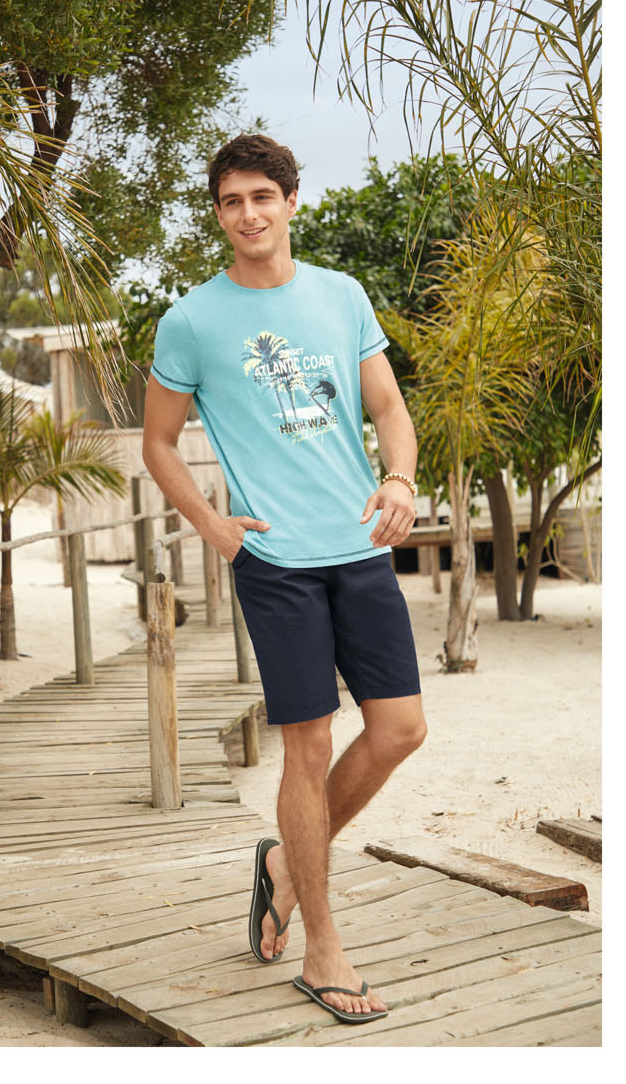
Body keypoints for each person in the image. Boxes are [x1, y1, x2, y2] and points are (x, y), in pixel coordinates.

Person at [141, 133, 426, 1024]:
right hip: (274, 561)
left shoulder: (341, 296)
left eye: (263, 196)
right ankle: (322, 946)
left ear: (291, 201)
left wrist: (400, 478)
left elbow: (389, 406)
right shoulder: (191, 321)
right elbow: (158, 441)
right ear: (218, 213)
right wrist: (212, 524)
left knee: (401, 729)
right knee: (307, 747)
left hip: (359, 544)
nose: (249, 213)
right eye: (232, 200)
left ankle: (284, 864)